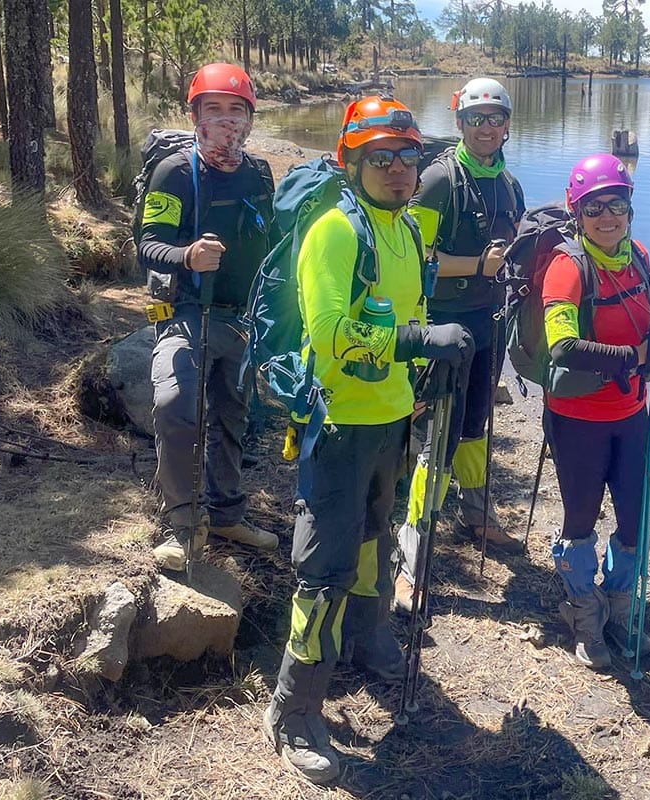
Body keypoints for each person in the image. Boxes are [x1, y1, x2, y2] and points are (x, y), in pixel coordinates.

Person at [262, 96, 475, 784]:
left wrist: (425, 370)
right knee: (322, 570)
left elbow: (406, 314)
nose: (397, 169)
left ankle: (367, 638)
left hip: (390, 418)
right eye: (379, 157)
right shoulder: (334, 233)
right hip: (335, 426)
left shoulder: (408, 231)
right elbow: (328, 334)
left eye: (408, 156)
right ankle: (294, 708)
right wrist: (420, 339)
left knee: (375, 540)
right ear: (348, 162)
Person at [139, 63, 280, 571]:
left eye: (236, 111)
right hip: (186, 313)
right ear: (195, 115)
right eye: (213, 110)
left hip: (242, 320)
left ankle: (225, 513)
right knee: (176, 407)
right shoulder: (174, 173)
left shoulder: (259, 172)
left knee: (231, 419)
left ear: (250, 118)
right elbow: (147, 244)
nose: (226, 121)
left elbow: (273, 240)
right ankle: (183, 526)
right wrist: (187, 256)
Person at [395, 78, 526, 613]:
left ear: (508, 124)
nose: (487, 127)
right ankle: (411, 556)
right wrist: (478, 265)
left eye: (495, 117)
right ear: (460, 125)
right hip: (443, 327)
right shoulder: (438, 182)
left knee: (474, 425)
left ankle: (476, 514)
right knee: (439, 439)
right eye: (476, 119)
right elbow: (415, 257)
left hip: (490, 324)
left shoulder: (510, 185)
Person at [543, 154, 650, 668]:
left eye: (616, 205)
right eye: (594, 207)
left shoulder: (641, 257)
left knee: (636, 517)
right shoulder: (567, 267)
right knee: (580, 518)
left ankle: (620, 604)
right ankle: (583, 611)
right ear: (578, 213)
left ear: (629, 209)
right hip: (577, 417)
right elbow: (562, 347)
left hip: (632, 412)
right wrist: (641, 357)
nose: (607, 216)